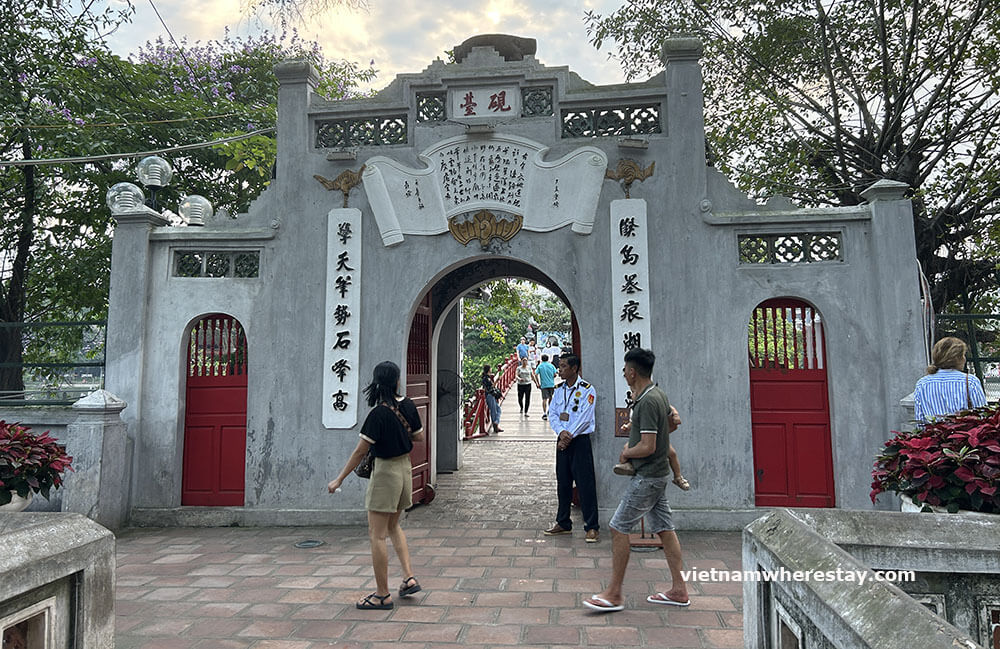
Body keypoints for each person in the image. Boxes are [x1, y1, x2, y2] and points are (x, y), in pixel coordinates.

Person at [584, 348, 689, 612]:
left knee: (618, 527)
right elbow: (670, 425)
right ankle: (679, 589)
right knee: (665, 529)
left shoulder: (647, 401)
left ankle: (614, 594)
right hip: (658, 475)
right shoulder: (657, 395)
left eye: (624, 370)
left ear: (632, 372)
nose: (623, 374)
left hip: (648, 477)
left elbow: (649, 445)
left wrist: (627, 451)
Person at [327, 361, 424, 610]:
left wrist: (339, 479)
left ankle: (382, 594)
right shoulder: (409, 405)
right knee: (394, 526)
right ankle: (408, 577)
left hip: (386, 472)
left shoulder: (378, 414)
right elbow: (418, 435)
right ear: (397, 381)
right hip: (405, 469)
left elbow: (361, 452)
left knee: (377, 535)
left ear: (376, 383)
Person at [543, 353, 600, 543]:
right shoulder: (558, 390)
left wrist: (569, 436)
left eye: (564, 366)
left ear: (574, 368)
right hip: (562, 440)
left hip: (579, 441)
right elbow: (553, 414)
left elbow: (585, 417)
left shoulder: (587, 390)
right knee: (563, 482)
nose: (560, 370)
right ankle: (563, 522)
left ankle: (592, 526)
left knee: (585, 484)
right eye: (559, 366)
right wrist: (561, 433)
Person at [614, 405, 690, 491]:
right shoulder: (636, 408)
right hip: (642, 436)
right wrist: (627, 426)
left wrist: (676, 415)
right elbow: (633, 422)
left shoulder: (653, 401)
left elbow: (670, 408)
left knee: (672, 453)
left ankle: (678, 477)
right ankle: (627, 465)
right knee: (625, 451)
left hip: (657, 434)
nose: (632, 395)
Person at [914, 337, 988, 421]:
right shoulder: (970, 381)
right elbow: (983, 415)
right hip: (965, 432)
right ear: (957, 358)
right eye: (963, 355)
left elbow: (920, 420)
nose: (964, 359)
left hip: (934, 433)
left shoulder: (922, 384)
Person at [482, 364, 504, 434]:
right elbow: (491, 387)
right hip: (490, 395)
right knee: (494, 410)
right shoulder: (486, 378)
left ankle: (496, 423)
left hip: (490, 395)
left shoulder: (486, 377)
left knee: (497, 409)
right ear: (489, 369)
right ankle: (495, 425)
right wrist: (497, 380)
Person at [535, 354, 557, 420]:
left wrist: (537, 383)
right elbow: (555, 374)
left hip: (544, 385)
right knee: (550, 397)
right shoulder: (551, 365)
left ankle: (544, 413)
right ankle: (549, 410)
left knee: (544, 399)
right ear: (548, 359)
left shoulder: (540, 366)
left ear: (541, 359)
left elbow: (535, 374)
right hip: (551, 384)